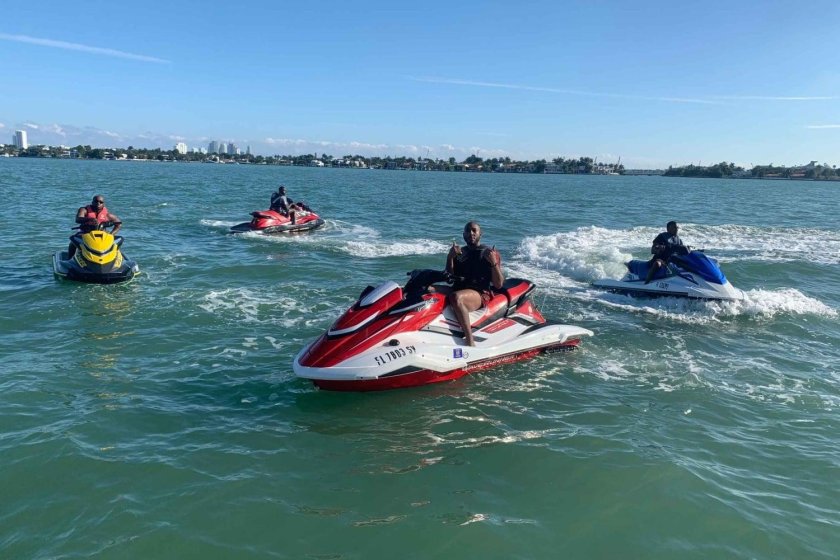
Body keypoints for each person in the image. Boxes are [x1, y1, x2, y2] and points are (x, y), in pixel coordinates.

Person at [445, 221, 504, 346]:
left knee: (456, 297)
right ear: (463, 235)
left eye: (474, 230)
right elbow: (449, 278)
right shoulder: (460, 252)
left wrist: (493, 263)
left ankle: (470, 340)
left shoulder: (489, 253)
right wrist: (450, 258)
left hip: (481, 293)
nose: (471, 233)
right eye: (467, 231)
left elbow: (498, 284)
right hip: (460, 287)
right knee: (428, 289)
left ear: (480, 234)